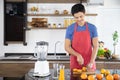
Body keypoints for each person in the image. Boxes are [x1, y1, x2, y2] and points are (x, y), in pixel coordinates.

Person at [64, 3, 98, 72]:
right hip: (75, 63)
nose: (79, 19)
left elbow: (95, 46)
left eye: (81, 16)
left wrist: (91, 62)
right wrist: (78, 55)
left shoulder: (92, 28)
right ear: (73, 16)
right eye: (76, 17)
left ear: (84, 13)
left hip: (89, 63)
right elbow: (66, 47)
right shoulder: (70, 28)